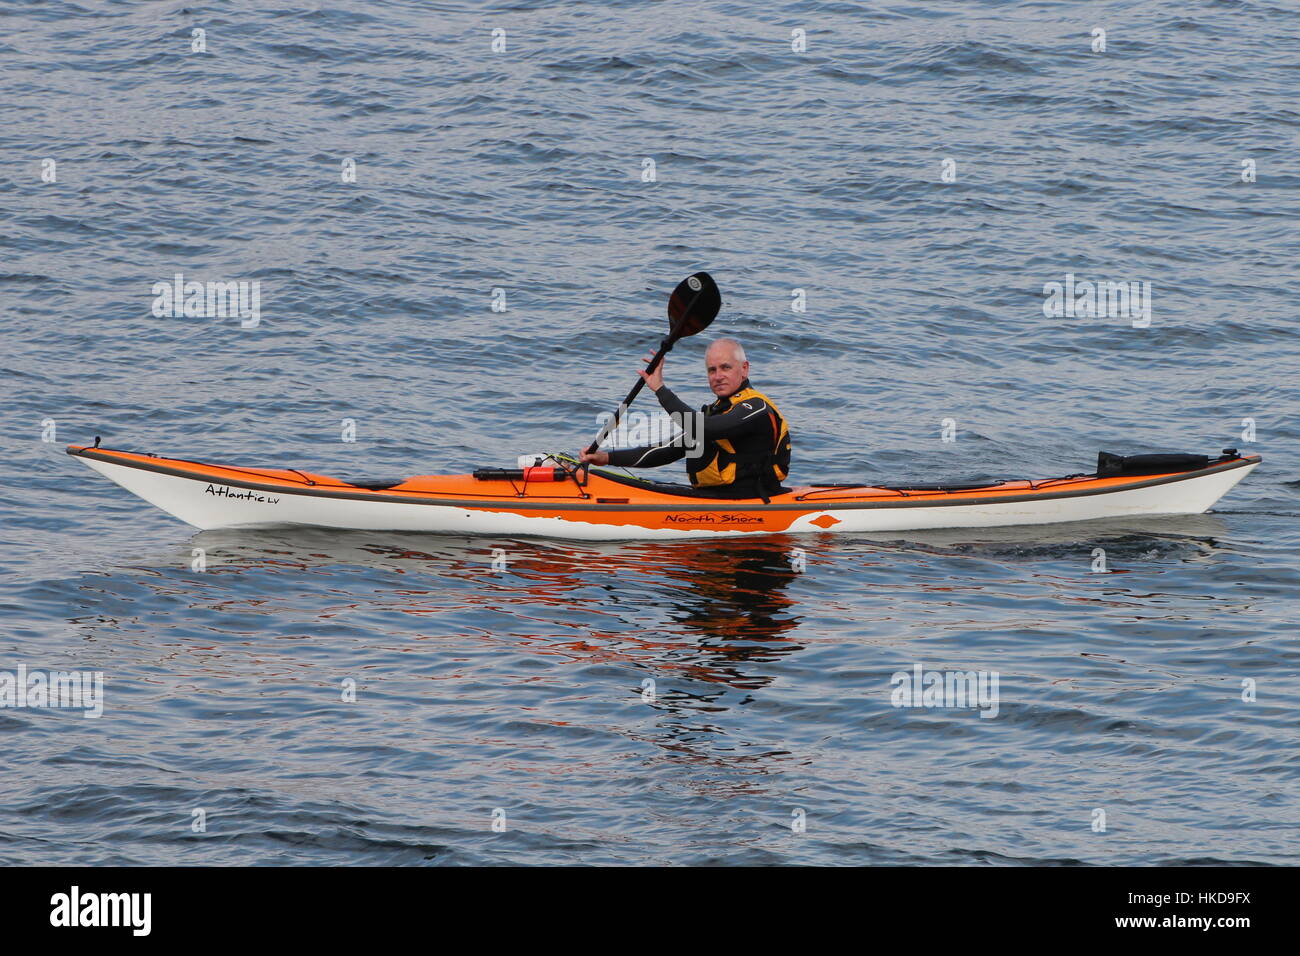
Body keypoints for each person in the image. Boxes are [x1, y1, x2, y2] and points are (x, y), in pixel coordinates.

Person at [579, 338, 792, 500]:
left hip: (752, 501)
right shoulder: (718, 411)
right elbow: (668, 450)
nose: (718, 376)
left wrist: (661, 390)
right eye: (712, 370)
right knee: (645, 486)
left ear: (744, 369)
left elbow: (703, 428)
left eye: (725, 367)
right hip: (716, 497)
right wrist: (606, 458)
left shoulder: (755, 407)